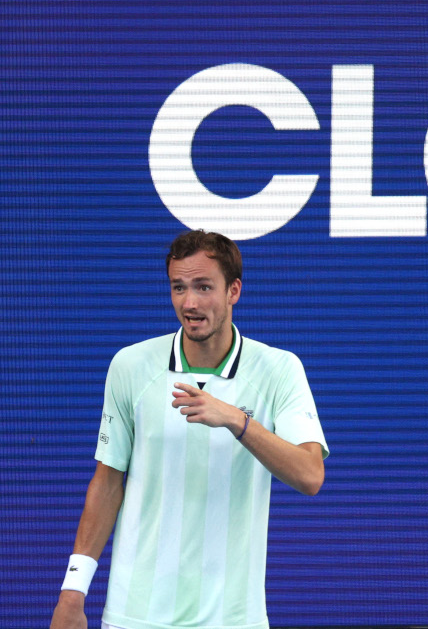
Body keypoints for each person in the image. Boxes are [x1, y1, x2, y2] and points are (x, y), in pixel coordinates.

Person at [50, 230, 328, 629]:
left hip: (234, 620)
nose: (189, 303)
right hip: (134, 616)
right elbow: (107, 482)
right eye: (178, 287)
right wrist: (73, 591)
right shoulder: (130, 366)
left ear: (234, 291)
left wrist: (236, 420)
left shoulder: (280, 370)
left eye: (203, 287)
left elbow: (310, 475)